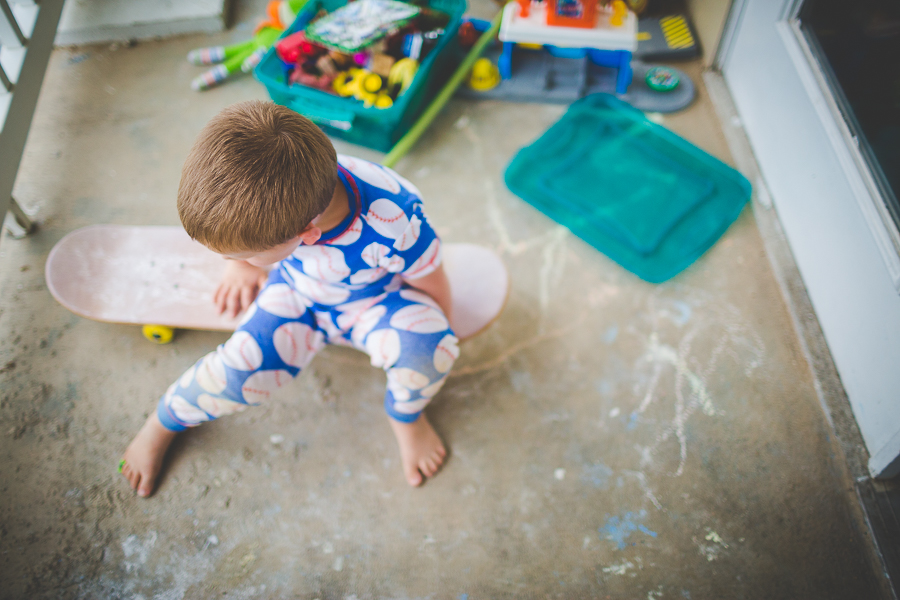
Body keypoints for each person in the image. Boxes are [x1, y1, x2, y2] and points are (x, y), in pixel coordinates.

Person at [119, 100, 458, 496]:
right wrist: (244, 266)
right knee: (237, 370)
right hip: (298, 293)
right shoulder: (294, 195)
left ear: (306, 236)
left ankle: (406, 418)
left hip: (375, 303)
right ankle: (163, 421)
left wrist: (434, 333)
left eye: (242, 255)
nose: (233, 261)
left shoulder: (398, 219)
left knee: (432, 350)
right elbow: (254, 235)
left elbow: (431, 282)